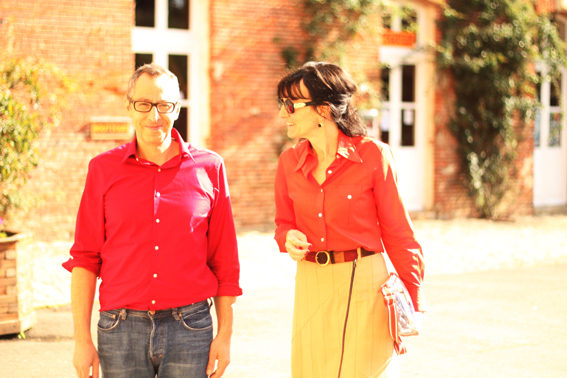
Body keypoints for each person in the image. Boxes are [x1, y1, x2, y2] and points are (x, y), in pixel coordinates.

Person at [63, 63, 242, 378]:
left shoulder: (210, 168)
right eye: (144, 104)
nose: (154, 116)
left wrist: (224, 335)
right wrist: (81, 340)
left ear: (177, 107)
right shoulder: (103, 170)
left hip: (191, 328)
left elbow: (225, 262)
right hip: (120, 329)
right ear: (130, 106)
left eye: (164, 105)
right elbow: (85, 259)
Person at [274, 62, 425, 377]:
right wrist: (288, 238)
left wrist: (412, 297)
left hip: (365, 284)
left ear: (323, 111)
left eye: (290, 105)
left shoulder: (373, 156)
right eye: (282, 105)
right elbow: (283, 224)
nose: (283, 114)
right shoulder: (288, 163)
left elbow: (399, 233)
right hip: (311, 283)